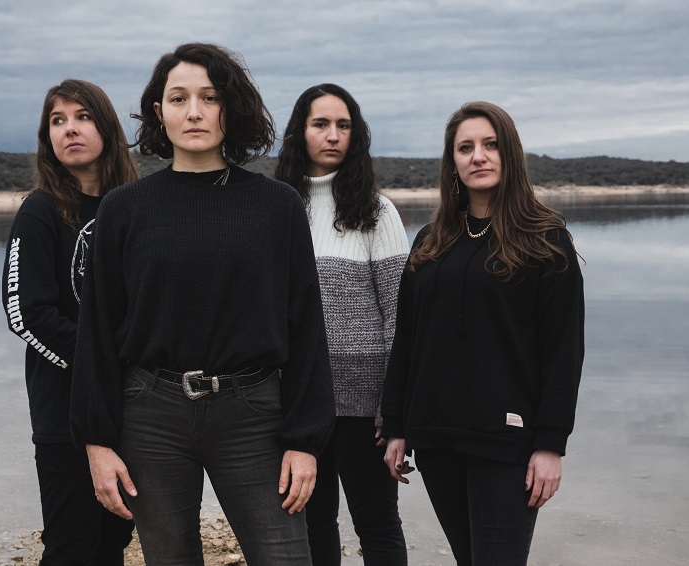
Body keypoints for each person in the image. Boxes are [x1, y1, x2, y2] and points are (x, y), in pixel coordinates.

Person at [69, 43, 335, 565]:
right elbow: (96, 330)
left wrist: (305, 440)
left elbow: (306, 326)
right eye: (178, 98)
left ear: (230, 108)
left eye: (210, 98)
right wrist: (96, 442)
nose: (194, 112)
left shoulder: (276, 204)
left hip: (254, 412)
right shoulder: (124, 208)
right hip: (151, 414)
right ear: (158, 112)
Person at [380, 101, 584, 565]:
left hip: (507, 442)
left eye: (490, 144)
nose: (478, 156)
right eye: (465, 147)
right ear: (452, 161)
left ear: (510, 153)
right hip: (436, 437)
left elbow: (563, 353)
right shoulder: (430, 241)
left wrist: (550, 444)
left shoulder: (545, 240)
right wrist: (396, 427)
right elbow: (407, 340)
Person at [1, 79, 138, 565]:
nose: (69, 129)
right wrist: (101, 363)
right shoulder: (40, 211)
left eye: (82, 117)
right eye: (57, 121)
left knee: (114, 540)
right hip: (64, 412)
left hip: (133, 406)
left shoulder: (133, 207)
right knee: (70, 546)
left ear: (107, 128)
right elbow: (26, 315)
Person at [275, 84, 409, 565]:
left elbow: (400, 318)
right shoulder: (275, 208)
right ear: (299, 132)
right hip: (293, 400)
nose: (333, 135)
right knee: (310, 523)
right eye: (320, 124)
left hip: (363, 405)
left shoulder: (376, 210)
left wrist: (393, 409)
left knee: (377, 524)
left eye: (343, 125)